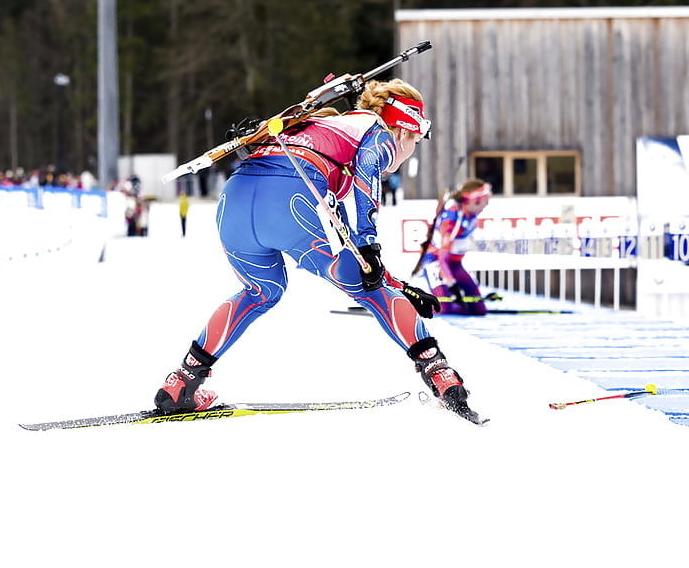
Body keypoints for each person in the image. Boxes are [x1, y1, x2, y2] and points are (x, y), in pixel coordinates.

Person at [153, 78, 484, 423]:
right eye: (416, 140)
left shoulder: (321, 125)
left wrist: (398, 285)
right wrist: (371, 249)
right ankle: (441, 376)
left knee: (260, 291)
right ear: (405, 132)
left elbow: (351, 248)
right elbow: (367, 177)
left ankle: (182, 382)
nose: (411, 149)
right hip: (289, 199)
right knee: (369, 291)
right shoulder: (379, 131)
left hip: (233, 202)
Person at [413, 179, 494, 316]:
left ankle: (455, 302)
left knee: (479, 309)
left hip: (454, 264)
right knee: (445, 309)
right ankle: (416, 306)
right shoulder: (453, 215)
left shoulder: (471, 214)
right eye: (484, 201)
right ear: (472, 200)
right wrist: (452, 285)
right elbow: (442, 260)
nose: (486, 205)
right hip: (436, 261)